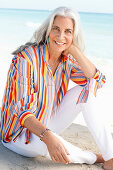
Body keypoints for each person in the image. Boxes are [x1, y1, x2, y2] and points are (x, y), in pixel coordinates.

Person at [0, 6, 113, 169]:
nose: (61, 36)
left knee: (87, 89)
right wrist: (48, 137)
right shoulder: (26, 58)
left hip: (45, 123)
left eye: (68, 31)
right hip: (18, 134)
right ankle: (98, 158)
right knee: (44, 145)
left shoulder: (66, 60)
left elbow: (97, 80)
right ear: (48, 31)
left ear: (73, 35)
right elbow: (22, 111)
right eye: (56, 29)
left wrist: (74, 50)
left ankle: (111, 155)